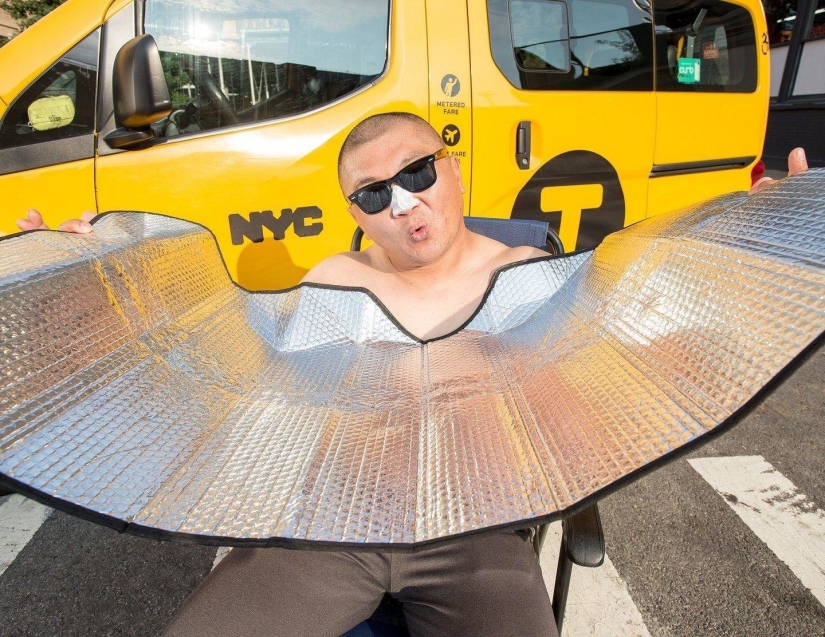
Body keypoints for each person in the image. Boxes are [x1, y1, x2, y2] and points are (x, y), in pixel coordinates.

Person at [15, 114, 810, 636]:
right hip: (330, 530)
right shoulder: (336, 280)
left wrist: (761, 234)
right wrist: (91, 272)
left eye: (417, 173)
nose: (402, 202)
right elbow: (216, 364)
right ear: (355, 211)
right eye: (372, 193)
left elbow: (657, 331)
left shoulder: (531, 272)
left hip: (474, 533)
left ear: (451, 166)